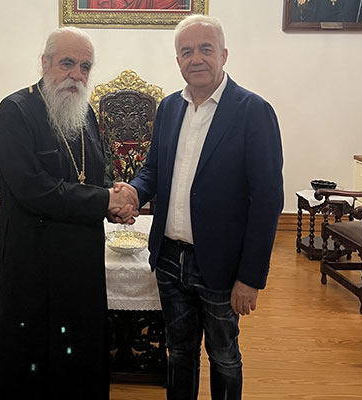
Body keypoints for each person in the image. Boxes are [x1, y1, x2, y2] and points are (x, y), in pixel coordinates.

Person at [0, 27, 138, 400]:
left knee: (77, 352)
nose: (76, 75)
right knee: (29, 358)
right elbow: (32, 189)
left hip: (80, 262)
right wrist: (103, 200)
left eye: (85, 66)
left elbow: (94, 172)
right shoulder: (15, 111)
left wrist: (112, 196)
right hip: (32, 263)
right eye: (67, 63)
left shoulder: (85, 111)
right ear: (45, 63)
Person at [129, 14, 284, 400]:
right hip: (169, 258)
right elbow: (153, 171)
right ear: (177, 60)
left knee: (224, 356)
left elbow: (268, 201)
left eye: (205, 49)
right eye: (186, 52)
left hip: (221, 264)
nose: (196, 58)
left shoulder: (253, 111)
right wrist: (132, 192)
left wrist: (250, 277)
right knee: (179, 351)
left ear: (223, 55)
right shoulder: (169, 108)